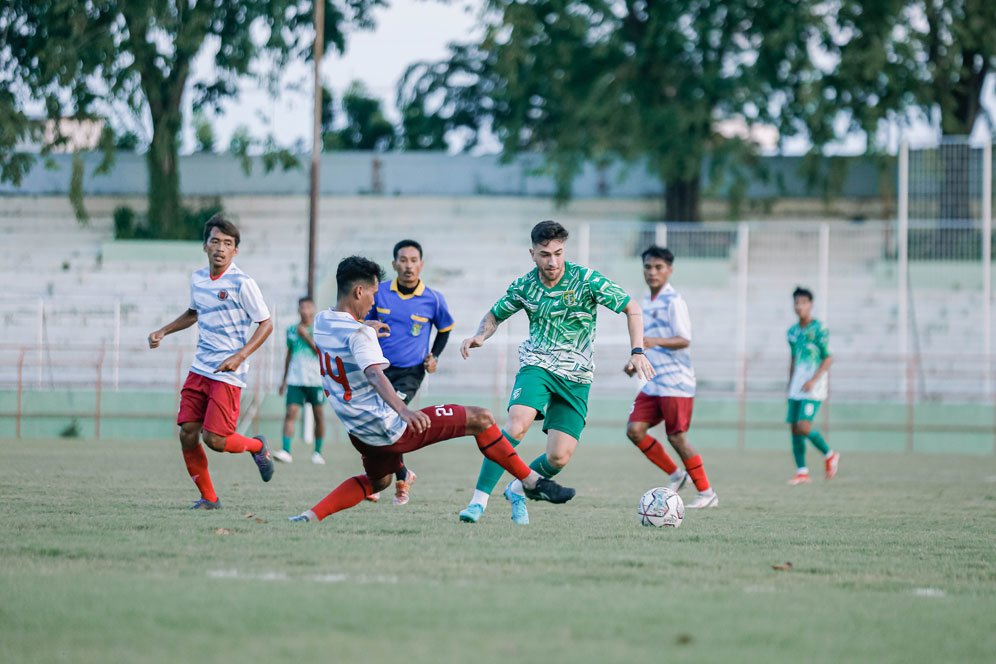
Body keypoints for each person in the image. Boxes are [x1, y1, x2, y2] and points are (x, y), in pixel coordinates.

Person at [288, 256, 575, 524]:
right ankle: (532, 483)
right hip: (389, 428)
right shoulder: (360, 334)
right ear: (359, 292)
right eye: (373, 294)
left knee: (380, 482)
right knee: (482, 418)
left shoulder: (324, 321)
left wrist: (367, 324)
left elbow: (348, 335)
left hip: (359, 432)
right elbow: (374, 374)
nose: (374, 299)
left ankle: (310, 516)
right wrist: (404, 411)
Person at [457, 220, 655, 525]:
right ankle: (477, 502)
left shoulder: (586, 279)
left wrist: (637, 350)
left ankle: (517, 488)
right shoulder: (524, 286)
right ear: (532, 254)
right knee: (517, 424)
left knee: (559, 457)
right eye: (545, 254)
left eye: (558, 253)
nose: (553, 261)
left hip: (577, 377)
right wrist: (480, 335)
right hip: (537, 364)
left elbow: (632, 307)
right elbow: (495, 315)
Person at [148, 215, 275, 509]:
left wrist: (239, 356)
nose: (220, 248)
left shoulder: (243, 283)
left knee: (215, 440)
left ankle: (257, 446)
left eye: (228, 243)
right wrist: (164, 330)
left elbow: (266, 324)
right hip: (200, 368)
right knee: (187, 434)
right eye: (215, 241)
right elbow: (195, 312)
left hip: (228, 373)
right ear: (205, 246)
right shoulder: (198, 279)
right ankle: (209, 498)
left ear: (235, 251)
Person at [624, 247, 718, 508]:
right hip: (654, 382)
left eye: (658, 267)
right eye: (648, 267)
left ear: (669, 270)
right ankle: (677, 474)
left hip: (676, 382)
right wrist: (635, 360)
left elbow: (684, 339)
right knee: (635, 430)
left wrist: (654, 342)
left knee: (676, 436)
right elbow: (644, 342)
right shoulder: (645, 300)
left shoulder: (674, 301)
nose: (652, 272)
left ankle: (707, 493)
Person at [364, 239, 455, 505]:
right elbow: (362, 321)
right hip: (378, 369)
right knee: (376, 422)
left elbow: (445, 329)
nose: (408, 266)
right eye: (403, 260)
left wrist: (434, 356)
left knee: (389, 417)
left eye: (413, 260)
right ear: (394, 264)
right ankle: (401, 474)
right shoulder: (379, 292)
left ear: (421, 265)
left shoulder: (433, 299)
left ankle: (380, 480)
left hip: (411, 372)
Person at [786, 287, 839, 485]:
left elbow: (828, 357)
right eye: (796, 303)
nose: (799, 306)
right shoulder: (792, 332)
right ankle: (802, 471)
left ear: (811, 305)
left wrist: (814, 380)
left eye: (803, 302)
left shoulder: (819, 329)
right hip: (796, 386)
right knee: (794, 428)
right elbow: (792, 359)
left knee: (803, 425)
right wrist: (790, 383)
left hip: (813, 386)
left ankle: (829, 454)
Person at [274, 296, 327, 465]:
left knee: (319, 416)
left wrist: (306, 336)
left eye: (308, 307)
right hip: (296, 380)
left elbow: (321, 353)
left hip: (316, 381)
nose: (305, 311)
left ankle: (317, 452)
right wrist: (283, 380)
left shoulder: (319, 329)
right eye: (302, 307)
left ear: (313, 309)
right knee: (290, 413)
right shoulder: (291, 330)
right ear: (298, 310)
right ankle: (286, 451)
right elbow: (289, 355)